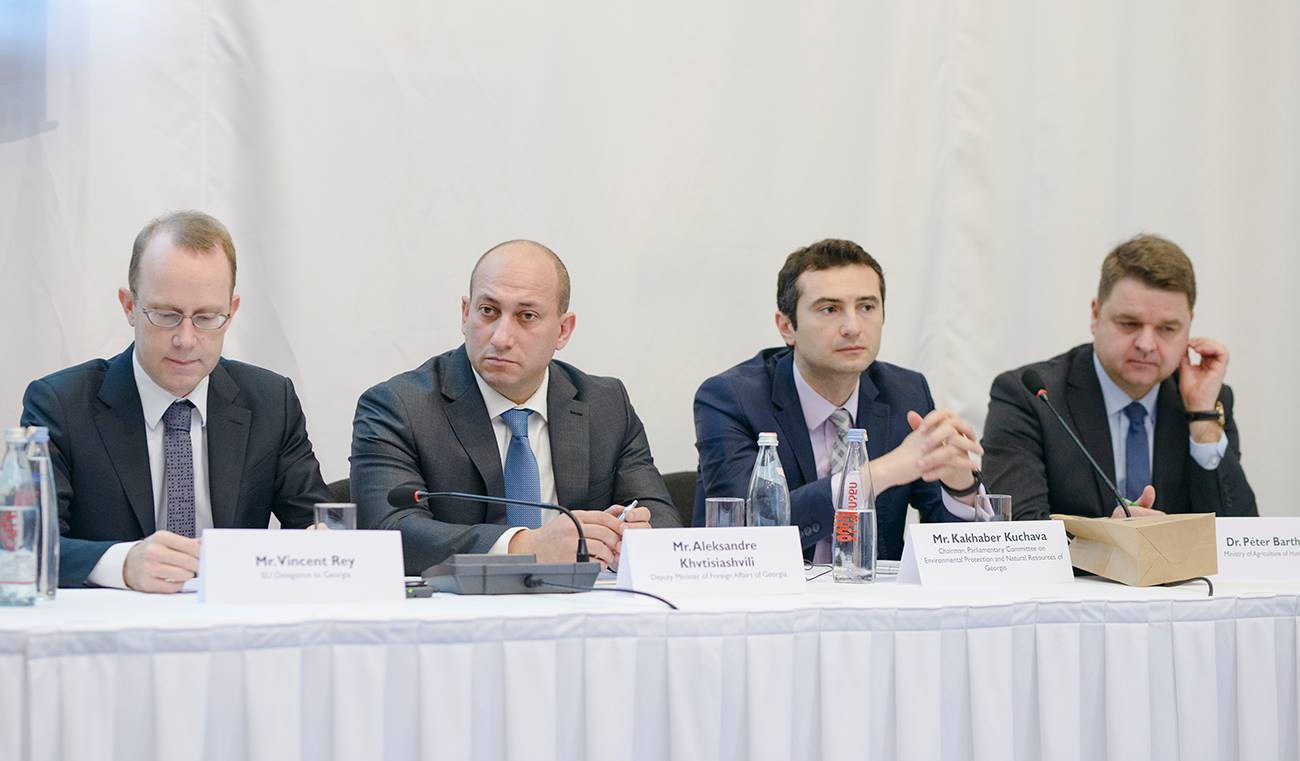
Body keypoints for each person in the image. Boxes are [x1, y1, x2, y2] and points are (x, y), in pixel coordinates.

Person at [20, 211, 331, 591]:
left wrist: (321, 545)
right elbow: (27, 545)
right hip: (110, 621)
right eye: (166, 315)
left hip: (233, 619)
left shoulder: (270, 401)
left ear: (231, 312)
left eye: (206, 317)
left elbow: (316, 524)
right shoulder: (61, 405)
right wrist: (121, 563)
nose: (186, 339)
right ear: (129, 306)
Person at [350, 239, 680, 574]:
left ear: (563, 331)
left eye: (527, 316)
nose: (501, 337)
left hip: (583, 602)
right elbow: (389, 531)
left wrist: (630, 536)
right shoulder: (398, 407)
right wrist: (524, 547)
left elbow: (661, 516)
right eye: (488, 311)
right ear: (465, 313)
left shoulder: (605, 404)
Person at [693, 239, 984, 561]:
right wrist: (880, 473)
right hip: (765, 588)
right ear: (787, 327)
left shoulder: (905, 393)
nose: (852, 327)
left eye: (866, 307)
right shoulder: (731, 398)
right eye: (830, 309)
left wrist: (960, 487)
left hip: (871, 591)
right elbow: (745, 532)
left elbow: (950, 552)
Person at [982, 233, 1257, 520]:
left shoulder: (1208, 400)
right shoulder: (1031, 397)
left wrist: (1202, 420)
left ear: (1189, 326)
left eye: (1167, 329)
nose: (1146, 345)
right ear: (1095, 314)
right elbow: (1018, 531)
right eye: (1129, 323)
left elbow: (1241, 535)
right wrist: (1108, 537)